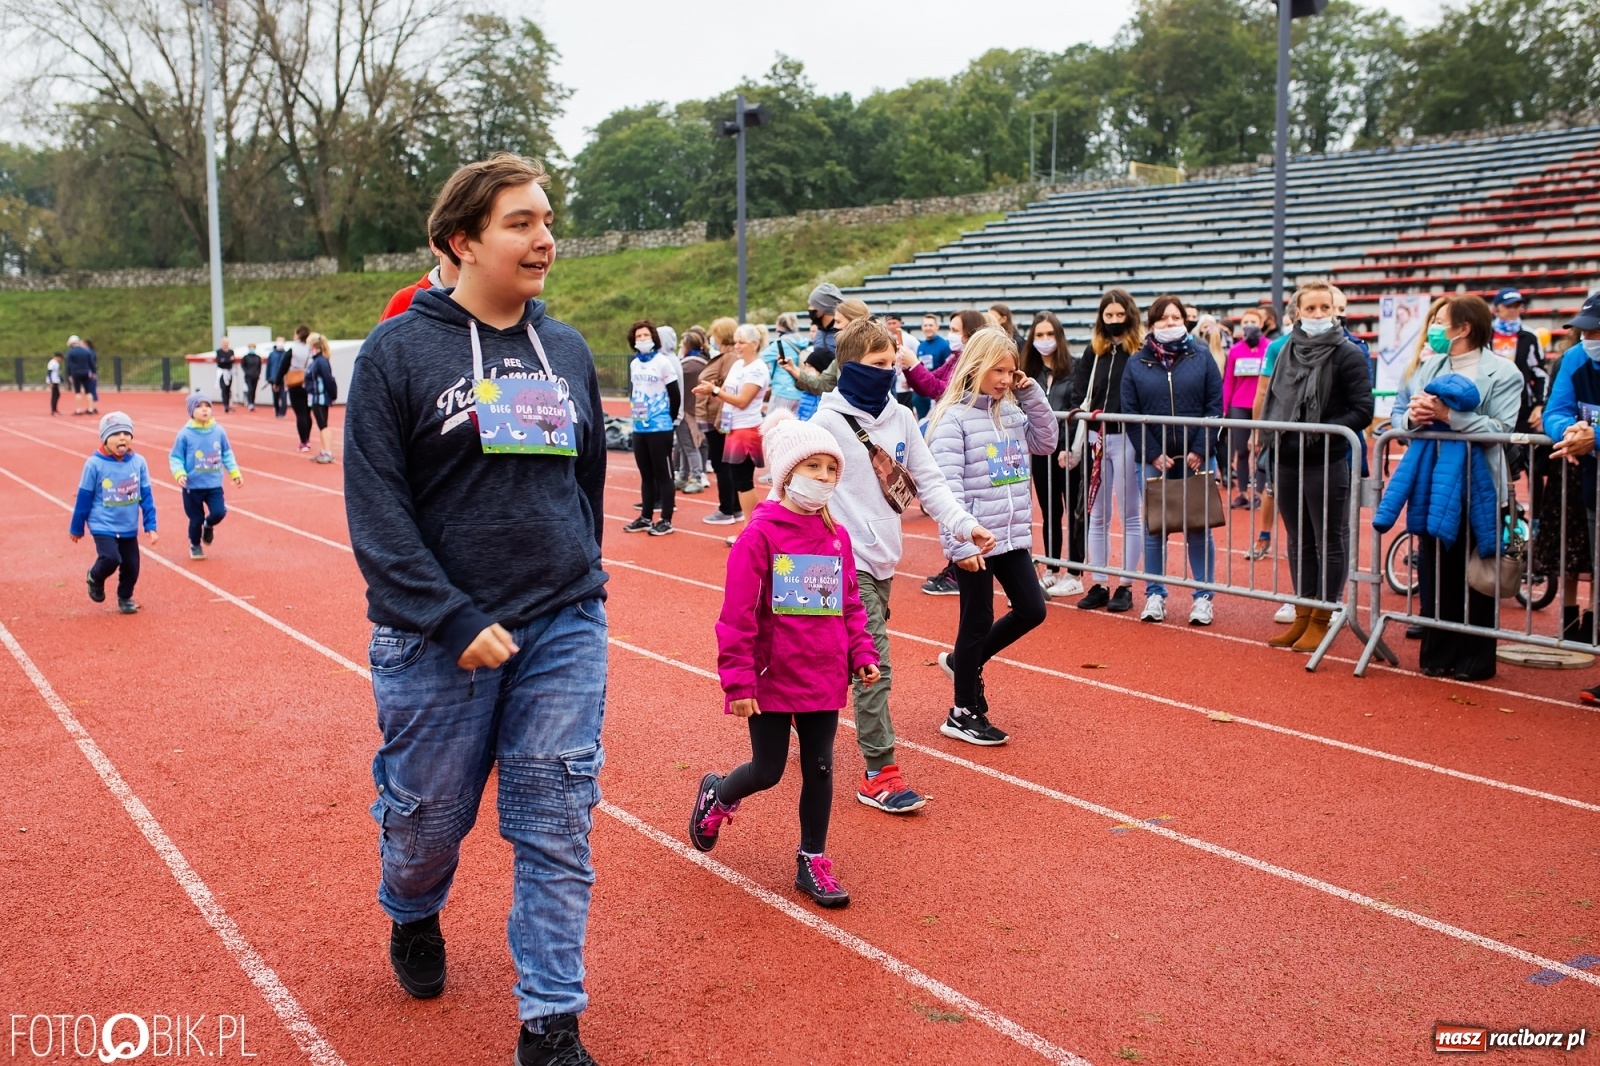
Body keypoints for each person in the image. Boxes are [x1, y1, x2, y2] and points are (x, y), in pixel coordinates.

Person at [343, 153, 608, 1066]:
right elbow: (377, 516)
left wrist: (582, 580)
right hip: (436, 640)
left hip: (564, 626)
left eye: (547, 220)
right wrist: (455, 621)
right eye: (521, 223)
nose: (545, 238)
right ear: (462, 241)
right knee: (427, 819)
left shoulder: (566, 349)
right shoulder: (396, 353)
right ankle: (413, 910)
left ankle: (551, 1024)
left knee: (557, 820)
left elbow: (587, 485)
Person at [688, 409, 880, 906]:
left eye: (831, 469)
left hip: (823, 671)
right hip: (772, 676)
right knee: (768, 770)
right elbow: (737, 615)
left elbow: (851, 602)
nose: (823, 478)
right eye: (812, 467)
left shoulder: (837, 536)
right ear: (786, 473)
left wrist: (861, 651)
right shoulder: (760, 536)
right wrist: (739, 682)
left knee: (820, 767)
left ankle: (812, 859)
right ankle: (718, 794)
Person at [809, 317, 994, 812]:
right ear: (849, 367)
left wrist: (964, 526)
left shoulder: (902, 419)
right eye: (877, 364)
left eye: (892, 363)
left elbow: (931, 483)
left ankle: (796, 709)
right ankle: (879, 772)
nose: (888, 372)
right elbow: (796, 487)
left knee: (838, 659)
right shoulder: (825, 424)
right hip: (843, 565)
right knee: (874, 666)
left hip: (884, 560)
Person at [927, 326, 1059, 745]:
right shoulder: (953, 419)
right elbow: (948, 487)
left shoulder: (1014, 411)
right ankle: (962, 710)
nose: (1004, 379)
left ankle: (964, 662)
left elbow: (1047, 443)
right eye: (997, 370)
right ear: (975, 366)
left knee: (1032, 609)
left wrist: (1032, 393)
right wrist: (961, 544)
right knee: (977, 620)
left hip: (1011, 533)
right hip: (975, 538)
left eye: (1010, 370)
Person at [1387, 293, 1521, 681]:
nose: (1434, 328)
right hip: (1433, 479)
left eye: (1441, 321)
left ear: (1464, 328)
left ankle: (1476, 657)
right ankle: (1437, 651)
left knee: (1477, 568)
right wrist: (1414, 417)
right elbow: (1403, 415)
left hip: (1479, 483)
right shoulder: (1429, 366)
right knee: (1434, 567)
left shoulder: (1504, 372)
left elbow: (1501, 430)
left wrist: (1449, 415)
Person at [1259, 280, 1374, 652]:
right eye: (1311, 309)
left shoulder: (1348, 353)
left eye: (1325, 308)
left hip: (1326, 459)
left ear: (1336, 311)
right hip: (1288, 458)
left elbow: (1363, 410)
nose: (1319, 315)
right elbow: (1276, 401)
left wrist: (1321, 430)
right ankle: (1304, 614)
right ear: (1297, 313)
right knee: (1299, 540)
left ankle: (1324, 617)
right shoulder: (1287, 349)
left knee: (1329, 539)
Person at [1122, 294, 1224, 627]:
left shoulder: (1203, 356)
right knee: (1155, 529)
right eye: (1163, 319)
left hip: (1197, 456)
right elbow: (1130, 413)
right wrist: (1152, 452)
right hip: (1154, 459)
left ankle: (1203, 597)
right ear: (1151, 325)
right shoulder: (1137, 363)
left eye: (1175, 318)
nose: (1170, 323)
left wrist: (1200, 447)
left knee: (1199, 526)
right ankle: (1155, 594)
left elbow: (1214, 406)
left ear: (1185, 321)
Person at [1526, 293, 1600, 679]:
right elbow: (1555, 411)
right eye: (1586, 330)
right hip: (1592, 486)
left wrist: (1597, 436)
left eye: (1598, 330)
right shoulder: (1575, 359)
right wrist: (1568, 433)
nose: (1591, 337)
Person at [1074, 289, 1145, 613]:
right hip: (1097, 440)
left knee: (1130, 513)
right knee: (1097, 513)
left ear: (1129, 315)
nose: (1114, 321)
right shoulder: (1094, 351)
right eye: (1109, 315)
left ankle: (1125, 584)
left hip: (1129, 438)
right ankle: (1099, 582)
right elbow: (1079, 390)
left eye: (1120, 315)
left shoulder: (1140, 350)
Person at [1022, 311, 1085, 597]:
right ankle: (1051, 567)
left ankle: (1075, 571)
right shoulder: (1028, 372)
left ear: (1059, 336)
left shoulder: (1075, 368)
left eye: (1049, 334)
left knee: (1074, 511)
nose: (1045, 340)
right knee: (1050, 511)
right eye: (1039, 335)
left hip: (1068, 451)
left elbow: (1077, 409)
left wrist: (1071, 446)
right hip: (1039, 451)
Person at [69, 412, 158, 615]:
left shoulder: (139, 463)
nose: (122, 438)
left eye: (126, 433)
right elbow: (84, 497)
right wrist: (77, 526)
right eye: (116, 433)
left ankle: (125, 596)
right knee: (110, 558)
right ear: (105, 438)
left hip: (128, 524)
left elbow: (146, 496)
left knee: (132, 566)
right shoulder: (94, 464)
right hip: (103, 523)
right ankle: (95, 577)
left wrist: (150, 525)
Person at [693, 323, 771, 541]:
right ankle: (750, 528)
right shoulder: (738, 366)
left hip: (746, 429)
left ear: (754, 345)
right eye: (735, 341)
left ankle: (752, 529)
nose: (736, 346)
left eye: (741, 342)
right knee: (739, 480)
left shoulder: (758, 368)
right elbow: (726, 392)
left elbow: (743, 401)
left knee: (744, 480)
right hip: (733, 428)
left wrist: (714, 390)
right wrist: (710, 390)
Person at [623, 319, 680, 535]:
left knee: (664, 475)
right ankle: (646, 517)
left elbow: (675, 394)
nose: (642, 339)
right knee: (646, 475)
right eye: (638, 336)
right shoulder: (634, 363)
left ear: (654, 338)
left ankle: (665, 519)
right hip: (640, 427)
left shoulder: (663, 362)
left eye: (646, 335)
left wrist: (670, 420)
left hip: (660, 427)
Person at [170, 393, 243, 560]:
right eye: (199, 406)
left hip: (213, 484)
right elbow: (175, 457)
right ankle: (195, 544)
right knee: (195, 519)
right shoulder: (184, 434)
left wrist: (235, 473)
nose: (204, 410)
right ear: (191, 411)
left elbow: (227, 454)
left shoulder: (219, 431)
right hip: (192, 486)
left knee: (219, 512)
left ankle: (208, 524)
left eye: (207, 406)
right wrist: (179, 473)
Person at [1223, 307, 1270, 508]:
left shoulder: (1270, 347)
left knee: (1260, 450)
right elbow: (1229, 380)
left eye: (1254, 321)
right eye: (1245, 322)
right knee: (1241, 452)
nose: (1249, 325)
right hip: (1239, 405)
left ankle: (1259, 493)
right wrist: (1225, 408)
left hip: (1262, 407)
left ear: (1262, 324)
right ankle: (1242, 493)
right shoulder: (1235, 350)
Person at [1490, 287, 1549, 442]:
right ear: (1496, 309)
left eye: (1517, 306)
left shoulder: (1529, 336)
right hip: (1489, 407)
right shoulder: (1484, 334)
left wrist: (1539, 405)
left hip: (1522, 409)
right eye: (1508, 306)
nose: (1513, 310)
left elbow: (1540, 372)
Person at [698, 318, 741, 526]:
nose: (712, 338)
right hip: (713, 416)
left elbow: (728, 387)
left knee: (722, 464)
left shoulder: (730, 357)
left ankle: (728, 509)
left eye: (714, 334)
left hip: (719, 418)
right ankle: (733, 507)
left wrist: (714, 388)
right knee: (722, 463)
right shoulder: (724, 356)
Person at [381, 243, 461, 321]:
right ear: (436, 246)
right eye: (458, 243)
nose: (467, 253)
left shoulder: (473, 304)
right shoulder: (404, 301)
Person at [674, 328, 710, 494]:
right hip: (699, 411)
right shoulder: (706, 362)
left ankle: (695, 477)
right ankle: (683, 475)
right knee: (685, 445)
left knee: (688, 445)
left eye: (682, 344)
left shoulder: (685, 367)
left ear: (687, 346)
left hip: (686, 412)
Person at [761, 311, 809, 415]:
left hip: (782, 390)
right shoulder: (803, 341)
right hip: (799, 391)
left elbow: (762, 357)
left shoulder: (781, 344)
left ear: (780, 325)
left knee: (772, 426)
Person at [303, 333, 339, 464]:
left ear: (314, 346)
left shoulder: (321, 361)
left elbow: (328, 379)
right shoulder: (316, 361)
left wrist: (333, 394)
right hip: (315, 397)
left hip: (320, 397)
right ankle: (325, 451)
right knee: (321, 425)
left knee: (323, 425)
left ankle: (328, 452)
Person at [914, 313, 953, 420]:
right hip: (924, 391)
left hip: (937, 390)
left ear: (937, 327)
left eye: (930, 325)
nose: (928, 328)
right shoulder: (921, 346)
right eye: (925, 325)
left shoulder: (944, 345)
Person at [286, 325, 314, 451]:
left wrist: (276, 381)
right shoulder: (310, 348)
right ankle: (307, 439)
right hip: (308, 382)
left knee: (300, 414)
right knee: (307, 413)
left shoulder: (292, 348)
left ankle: (303, 441)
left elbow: (284, 364)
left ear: (297, 334)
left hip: (295, 382)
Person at [806, 283, 845, 372]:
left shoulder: (842, 332)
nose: (809, 308)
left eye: (812, 305)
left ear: (822, 308)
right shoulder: (819, 331)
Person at [65, 335, 97, 415]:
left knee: (78, 391)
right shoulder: (86, 351)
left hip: (76, 373)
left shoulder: (70, 352)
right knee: (88, 391)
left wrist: (69, 375)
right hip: (86, 372)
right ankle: (90, 408)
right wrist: (93, 372)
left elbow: (68, 365)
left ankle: (78, 410)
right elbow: (91, 363)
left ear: (72, 343)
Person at [266, 337, 290, 418]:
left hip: (284, 379)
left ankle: (282, 413)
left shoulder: (286, 354)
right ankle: (277, 411)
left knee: (284, 396)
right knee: (275, 397)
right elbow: (268, 366)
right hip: (274, 378)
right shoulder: (272, 354)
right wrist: (268, 378)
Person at [215, 337, 237, 414]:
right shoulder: (219, 352)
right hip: (222, 372)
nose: (225, 344)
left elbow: (232, 361)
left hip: (229, 372)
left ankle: (228, 404)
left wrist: (226, 360)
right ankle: (225, 405)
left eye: (226, 342)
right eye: (224, 342)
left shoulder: (231, 351)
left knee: (228, 388)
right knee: (223, 388)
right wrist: (228, 360)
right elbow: (220, 362)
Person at [240, 343, 263, 411]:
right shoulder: (245, 357)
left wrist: (258, 374)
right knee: (250, 389)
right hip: (248, 376)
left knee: (254, 390)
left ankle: (253, 402)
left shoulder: (258, 357)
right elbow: (243, 366)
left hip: (255, 376)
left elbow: (259, 367)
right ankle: (250, 403)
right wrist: (247, 372)